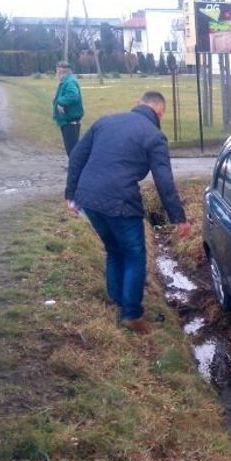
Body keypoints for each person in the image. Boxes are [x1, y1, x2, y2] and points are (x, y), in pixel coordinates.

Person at [65, 91, 191, 335]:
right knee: (134, 255)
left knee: (114, 249)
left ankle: (118, 300)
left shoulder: (104, 121)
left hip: (89, 199)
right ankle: (131, 314)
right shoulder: (154, 136)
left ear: (137, 104)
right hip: (120, 202)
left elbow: (76, 156)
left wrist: (71, 194)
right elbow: (164, 181)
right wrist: (179, 218)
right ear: (160, 112)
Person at [52, 61, 84, 156]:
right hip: (67, 120)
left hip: (70, 121)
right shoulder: (66, 81)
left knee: (72, 148)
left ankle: (76, 168)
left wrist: (61, 102)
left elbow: (73, 95)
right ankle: (74, 166)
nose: (56, 74)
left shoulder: (69, 82)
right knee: (71, 147)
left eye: (57, 71)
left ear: (61, 72)